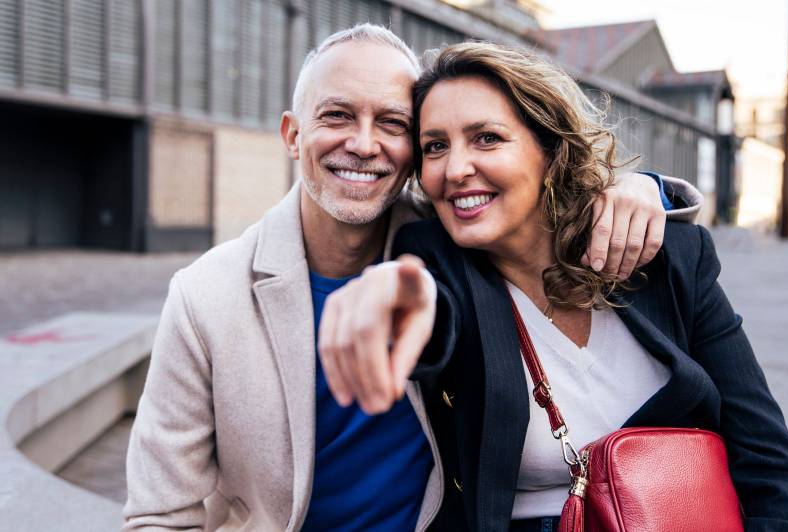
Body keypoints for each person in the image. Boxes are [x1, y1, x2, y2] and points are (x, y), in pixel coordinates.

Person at [123, 25, 700, 531]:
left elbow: (535, 199)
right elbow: (159, 514)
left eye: (392, 123)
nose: (364, 143)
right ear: (292, 134)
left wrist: (642, 187)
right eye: (337, 115)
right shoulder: (205, 296)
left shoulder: (450, 240)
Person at [318, 42, 788, 531]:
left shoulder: (669, 256)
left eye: (486, 138)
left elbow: (769, 462)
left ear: (550, 150)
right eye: (435, 146)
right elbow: (425, 303)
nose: (456, 169)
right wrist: (400, 297)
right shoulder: (435, 257)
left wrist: (646, 186)